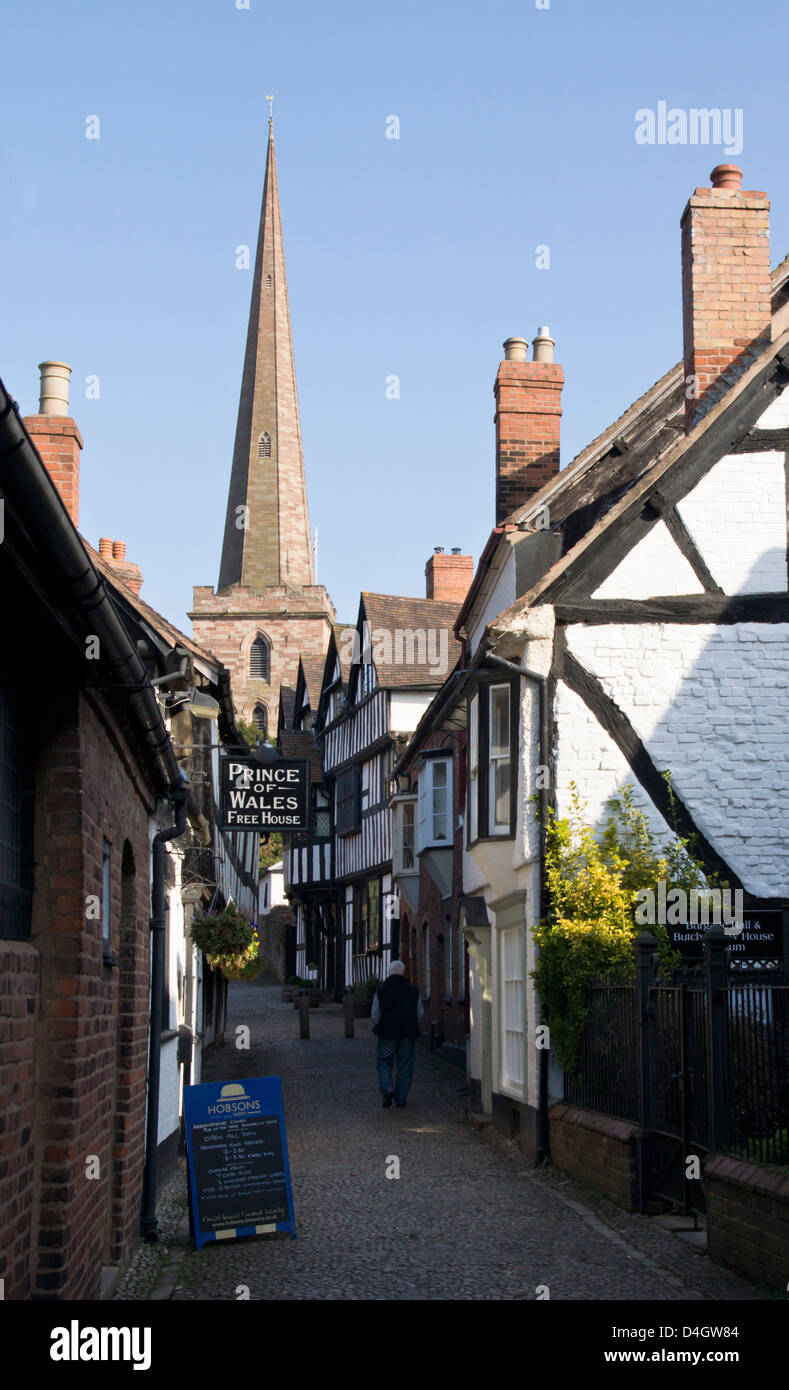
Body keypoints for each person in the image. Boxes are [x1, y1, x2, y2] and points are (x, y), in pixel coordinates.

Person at [371, 960, 423, 1108]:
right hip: (408, 1032)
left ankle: (387, 1088)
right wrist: (413, 1025)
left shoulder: (381, 991)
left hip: (387, 1032)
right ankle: (401, 1099)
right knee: (405, 1065)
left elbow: (375, 1014)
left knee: (384, 1062)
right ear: (403, 972)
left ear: (389, 972)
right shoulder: (413, 991)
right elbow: (419, 1013)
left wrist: (381, 1025)